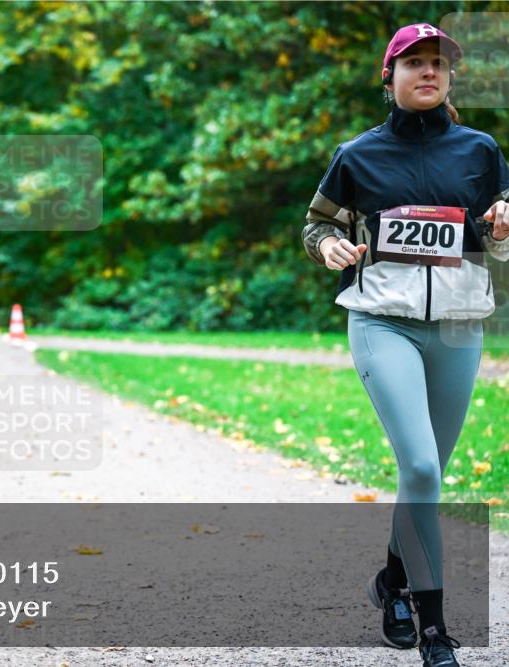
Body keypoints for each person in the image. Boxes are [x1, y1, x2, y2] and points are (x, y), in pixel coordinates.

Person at [301, 23, 509, 667]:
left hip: (457, 328)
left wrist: (502, 228)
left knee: (429, 478)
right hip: (381, 321)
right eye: (414, 63)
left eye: (439, 64)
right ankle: (436, 631)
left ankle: (393, 582)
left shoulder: (480, 151)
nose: (429, 72)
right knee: (420, 468)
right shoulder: (356, 155)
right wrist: (328, 246)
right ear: (387, 78)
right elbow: (317, 224)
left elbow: (496, 243)